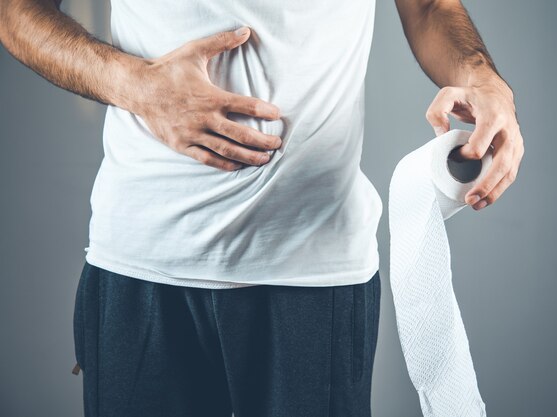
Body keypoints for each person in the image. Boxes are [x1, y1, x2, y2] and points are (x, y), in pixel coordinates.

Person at [0, 0, 524, 416]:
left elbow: (429, 5)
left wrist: (483, 80)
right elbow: (16, 10)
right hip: (142, 263)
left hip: (315, 270)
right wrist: (133, 85)